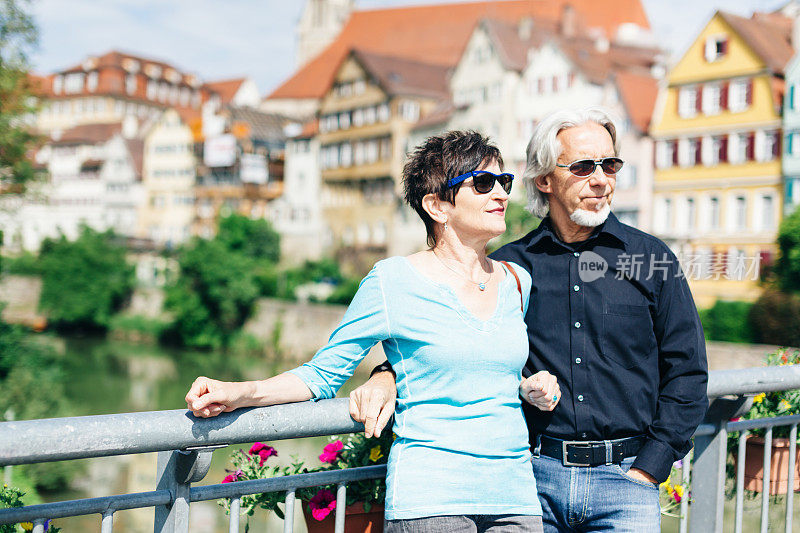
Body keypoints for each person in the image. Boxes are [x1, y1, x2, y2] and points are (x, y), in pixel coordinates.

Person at [353, 108, 709, 533]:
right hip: (533, 485)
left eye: (610, 165)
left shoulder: (651, 259)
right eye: (583, 167)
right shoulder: (508, 270)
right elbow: (449, 345)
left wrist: (650, 467)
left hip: (627, 483)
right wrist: (385, 375)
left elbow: (687, 370)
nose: (601, 179)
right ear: (545, 180)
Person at [185, 130, 561, 533]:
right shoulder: (392, 281)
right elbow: (323, 375)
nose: (501, 194)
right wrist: (241, 392)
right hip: (431, 501)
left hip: (515, 497)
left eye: (504, 182)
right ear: (437, 205)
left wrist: (528, 385)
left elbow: (485, 367)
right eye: (484, 184)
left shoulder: (516, 282)